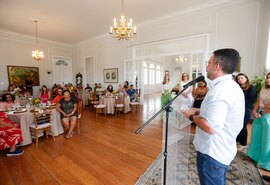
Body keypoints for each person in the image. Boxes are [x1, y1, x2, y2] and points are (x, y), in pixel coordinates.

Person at [181, 48, 244, 185]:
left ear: (217, 66)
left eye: (208, 63)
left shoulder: (221, 90)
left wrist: (191, 117)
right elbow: (223, 114)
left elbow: (210, 126)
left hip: (212, 152)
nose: (206, 66)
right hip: (222, 147)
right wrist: (200, 111)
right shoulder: (230, 86)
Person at [246, 72, 270, 171]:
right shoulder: (264, 89)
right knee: (256, 137)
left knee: (266, 141)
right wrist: (254, 111)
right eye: (268, 77)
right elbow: (258, 101)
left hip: (268, 117)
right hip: (259, 114)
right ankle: (254, 156)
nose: (268, 79)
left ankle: (264, 163)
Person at [235, 73, 256, 149]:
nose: (240, 80)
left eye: (241, 78)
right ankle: (237, 140)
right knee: (237, 125)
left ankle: (243, 143)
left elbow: (251, 99)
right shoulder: (238, 88)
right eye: (238, 79)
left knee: (243, 125)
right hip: (238, 108)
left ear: (246, 78)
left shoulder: (251, 88)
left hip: (247, 108)